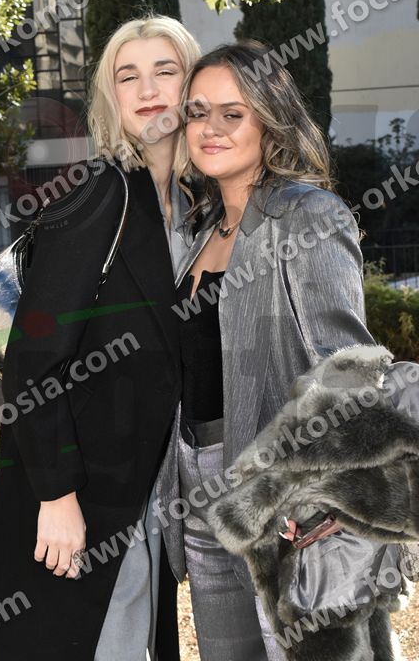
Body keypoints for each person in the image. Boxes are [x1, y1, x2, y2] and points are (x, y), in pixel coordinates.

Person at [0, 15, 200, 661]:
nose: (148, 89)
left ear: (192, 83)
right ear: (111, 96)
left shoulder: (190, 206)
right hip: (87, 490)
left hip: (149, 491)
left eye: (165, 70)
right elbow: (31, 357)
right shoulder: (99, 190)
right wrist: (56, 495)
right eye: (128, 76)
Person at [155, 40, 378, 661]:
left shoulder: (307, 216)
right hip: (198, 489)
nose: (211, 128)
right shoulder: (196, 232)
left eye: (233, 113)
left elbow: (350, 367)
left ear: (271, 121)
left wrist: (321, 497)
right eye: (198, 112)